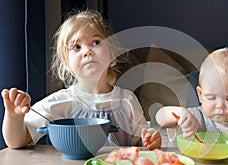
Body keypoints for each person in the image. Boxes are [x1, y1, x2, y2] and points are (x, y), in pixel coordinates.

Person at [2, 10, 161, 151]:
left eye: (96, 42)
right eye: (76, 47)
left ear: (112, 53)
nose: (87, 51)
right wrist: (14, 117)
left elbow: (142, 141)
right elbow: (18, 142)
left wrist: (151, 139)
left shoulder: (127, 100)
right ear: (66, 63)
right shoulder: (60, 102)